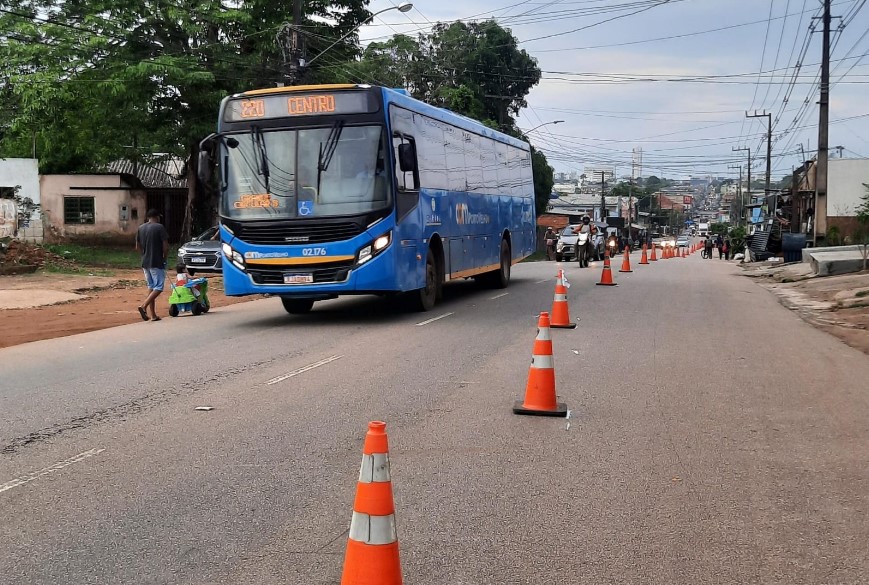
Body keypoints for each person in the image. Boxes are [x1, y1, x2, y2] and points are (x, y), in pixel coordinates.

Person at [135, 209, 169, 321]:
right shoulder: (159, 227)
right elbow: (165, 246)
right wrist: (164, 259)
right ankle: (143, 306)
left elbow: (137, 246)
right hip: (156, 261)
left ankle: (153, 315)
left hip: (145, 262)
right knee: (159, 287)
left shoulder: (141, 228)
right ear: (157, 216)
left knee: (151, 286)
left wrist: (143, 255)